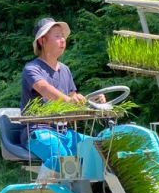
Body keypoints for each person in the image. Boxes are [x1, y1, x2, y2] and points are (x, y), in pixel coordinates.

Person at [21, 18, 104, 179]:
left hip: (63, 131)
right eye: (57, 36)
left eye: (63, 37)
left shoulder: (65, 70)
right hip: (38, 131)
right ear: (42, 41)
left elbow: (73, 98)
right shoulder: (32, 69)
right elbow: (44, 89)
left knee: (97, 149)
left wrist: (91, 101)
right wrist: (69, 100)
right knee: (62, 158)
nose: (63, 40)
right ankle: (41, 192)